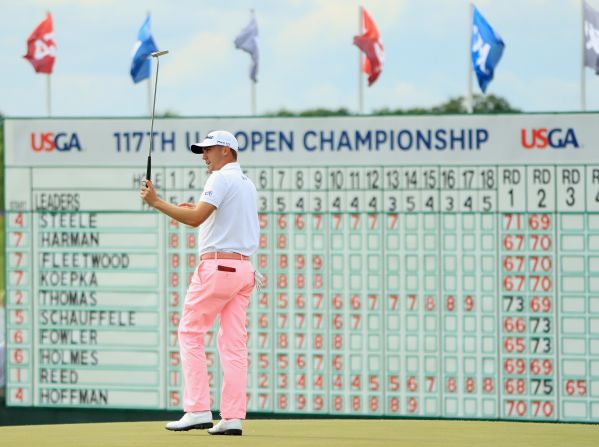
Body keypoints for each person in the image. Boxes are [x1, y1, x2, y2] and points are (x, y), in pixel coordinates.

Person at [140, 130, 259, 436]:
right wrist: (192, 208)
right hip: (243, 270)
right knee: (233, 345)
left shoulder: (219, 179)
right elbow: (212, 218)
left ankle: (197, 410)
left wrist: (156, 201)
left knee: (190, 332)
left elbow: (195, 221)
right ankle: (232, 418)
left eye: (208, 150)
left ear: (226, 151)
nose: (204, 156)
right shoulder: (246, 183)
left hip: (217, 268)